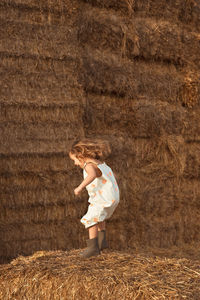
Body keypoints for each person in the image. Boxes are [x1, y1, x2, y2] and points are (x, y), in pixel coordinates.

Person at [69, 139, 120, 258]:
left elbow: (91, 175)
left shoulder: (88, 165)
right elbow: (114, 177)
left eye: (74, 160)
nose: (75, 164)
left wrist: (80, 187)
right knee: (100, 217)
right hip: (112, 197)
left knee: (90, 218)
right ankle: (102, 242)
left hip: (102, 198)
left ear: (80, 156)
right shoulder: (101, 163)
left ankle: (93, 248)